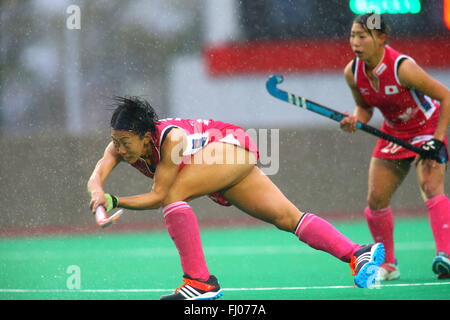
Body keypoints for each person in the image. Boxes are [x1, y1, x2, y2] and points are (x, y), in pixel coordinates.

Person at [87, 96, 385, 300]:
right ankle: (358, 253)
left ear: (145, 136)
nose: (120, 150)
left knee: (174, 195)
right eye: (115, 142)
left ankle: (199, 282)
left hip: (227, 147)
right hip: (217, 163)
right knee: (286, 218)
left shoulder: (171, 139)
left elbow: (159, 195)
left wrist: (115, 201)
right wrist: (98, 193)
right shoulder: (119, 147)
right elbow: (96, 176)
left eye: (125, 143)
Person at [340, 13, 450, 281]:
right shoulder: (352, 72)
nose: (355, 42)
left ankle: (446, 255)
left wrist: (437, 138)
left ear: (381, 38)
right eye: (353, 35)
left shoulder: (402, 67)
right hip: (394, 133)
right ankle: (388, 264)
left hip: (425, 127)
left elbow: (445, 96)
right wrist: (356, 120)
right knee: (376, 199)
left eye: (362, 36)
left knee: (430, 185)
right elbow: (365, 109)